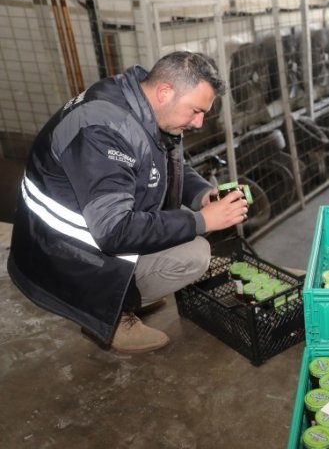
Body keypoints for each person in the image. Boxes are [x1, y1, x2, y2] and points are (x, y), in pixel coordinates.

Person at [8, 51, 249, 354]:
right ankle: (108, 315)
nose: (199, 123)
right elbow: (114, 231)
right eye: (196, 111)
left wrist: (203, 195)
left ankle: (131, 291)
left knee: (188, 230)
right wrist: (203, 220)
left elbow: (172, 164)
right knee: (195, 253)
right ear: (165, 92)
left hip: (89, 232)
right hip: (60, 255)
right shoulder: (103, 131)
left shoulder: (142, 101)